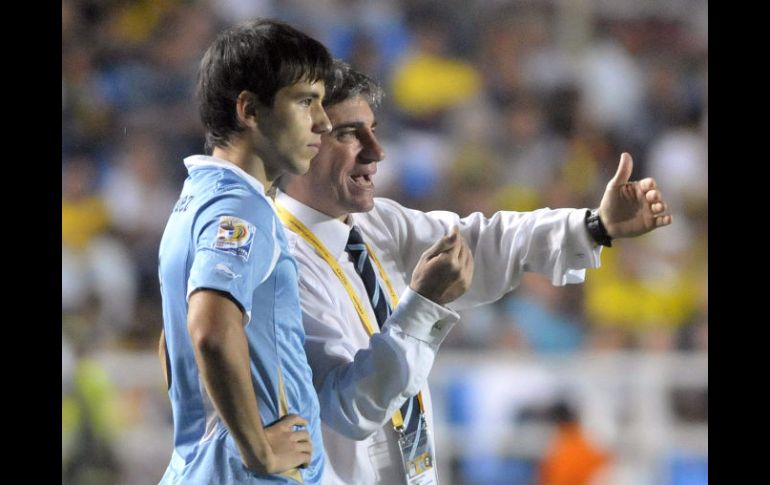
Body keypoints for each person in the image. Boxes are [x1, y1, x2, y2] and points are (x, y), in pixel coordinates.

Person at [274, 60, 672, 485]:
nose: (376, 151)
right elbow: (352, 407)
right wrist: (424, 307)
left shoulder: (376, 223)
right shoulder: (278, 264)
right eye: (349, 134)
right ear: (301, 143)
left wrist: (595, 225)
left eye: (373, 129)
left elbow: (480, 242)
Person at [156, 19, 335, 485]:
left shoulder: (196, 199)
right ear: (250, 110)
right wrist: (255, 448)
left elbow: (170, 338)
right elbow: (209, 330)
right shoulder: (241, 208)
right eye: (305, 101)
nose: (324, 121)